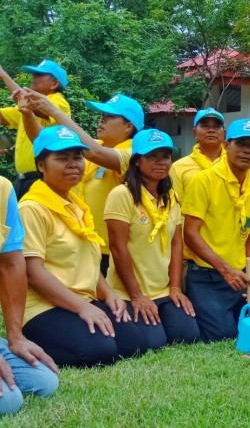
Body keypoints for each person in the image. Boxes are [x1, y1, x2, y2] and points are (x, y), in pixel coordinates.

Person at [19, 125, 160, 367]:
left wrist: (109, 294)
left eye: (77, 157)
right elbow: (33, 273)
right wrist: (82, 308)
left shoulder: (77, 206)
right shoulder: (31, 208)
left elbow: (89, 264)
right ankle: (29, 343)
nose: (73, 164)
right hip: (43, 306)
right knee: (100, 352)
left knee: (134, 344)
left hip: (83, 299)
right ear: (41, 165)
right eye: (62, 158)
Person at [182, 119, 250, 341]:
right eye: (241, 143)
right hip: (206, 276)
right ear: (227, 145)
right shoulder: (203, 181)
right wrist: (226, 270)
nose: (247, 151)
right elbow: (190, 234)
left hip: (241, 277)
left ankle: (236, 313)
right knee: (221, 334)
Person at [18, 90, 145, 275]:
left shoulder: (135, 153)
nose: (102, 120)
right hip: (77, 245)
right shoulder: (94, 145)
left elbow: (95, 154)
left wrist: (54, 111)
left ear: (128, 126)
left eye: (110, 117)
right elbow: (43, 142)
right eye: (102, 115)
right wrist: (27, 113)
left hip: (110, 251)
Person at [105, 129, 200, 344]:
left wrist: (175, 287)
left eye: (166, 156)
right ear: (137, 161)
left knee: (188, 335)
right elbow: (118, 248)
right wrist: (137, 296)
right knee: (152, 342)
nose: (161, 162)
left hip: (163, 290)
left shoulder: (171, 196)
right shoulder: (122, 195)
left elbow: (176, 243)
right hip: (128, 292)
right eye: (152, 156)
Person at [0, 175, 59, 415]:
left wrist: (16, 336)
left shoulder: (3, 189)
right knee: (8, 402)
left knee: (44, 381)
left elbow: (11, 264)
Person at [0, 60, 71, 197]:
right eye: (34, 74)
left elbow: (32, 105)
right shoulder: (25, 109)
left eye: (39, 75)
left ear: (54, 83)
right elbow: (3, 116)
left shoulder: (58, 101)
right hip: (22, 179)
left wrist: (3, 75)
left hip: (41, 178)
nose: (33, 77)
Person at [170, 107, 226, 201]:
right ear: (195, 132)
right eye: (205, 126)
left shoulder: (234, 163)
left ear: (224, 133)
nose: (211, 130)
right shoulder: (177, 167)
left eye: (216, 126)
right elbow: (175, 204)